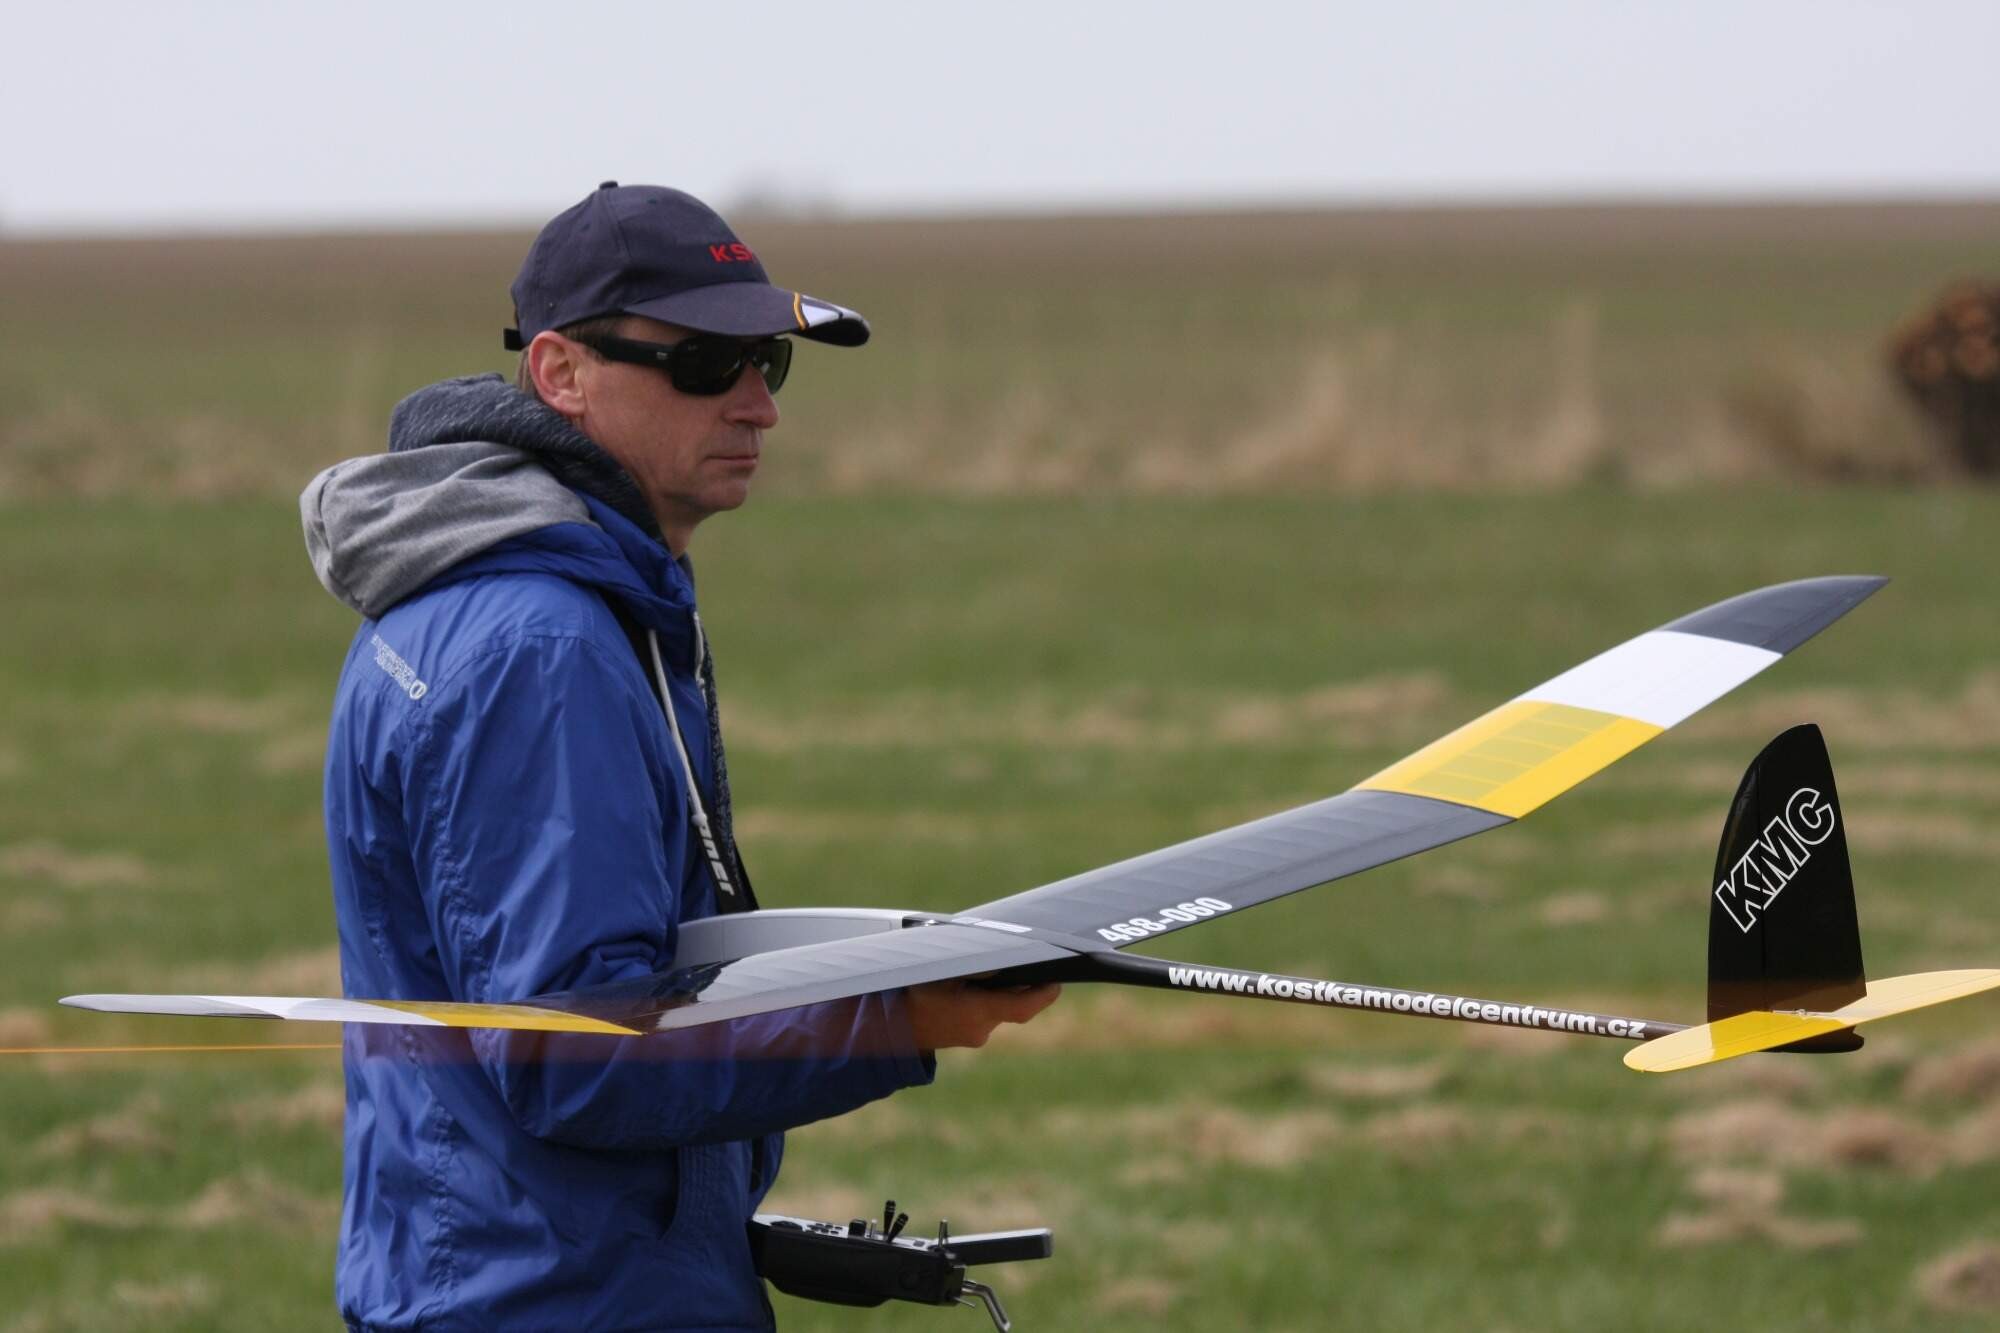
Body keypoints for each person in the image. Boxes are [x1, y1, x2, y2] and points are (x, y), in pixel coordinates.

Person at [300, 182, 1059, 1332]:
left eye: (767, 362)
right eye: (704, 363)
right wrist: (898, 1016)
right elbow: (575, 1057)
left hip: (525, 1273)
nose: (758, 405)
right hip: (557, 1305)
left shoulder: (518, 599)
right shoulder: (539, 645)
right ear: (560, 373)